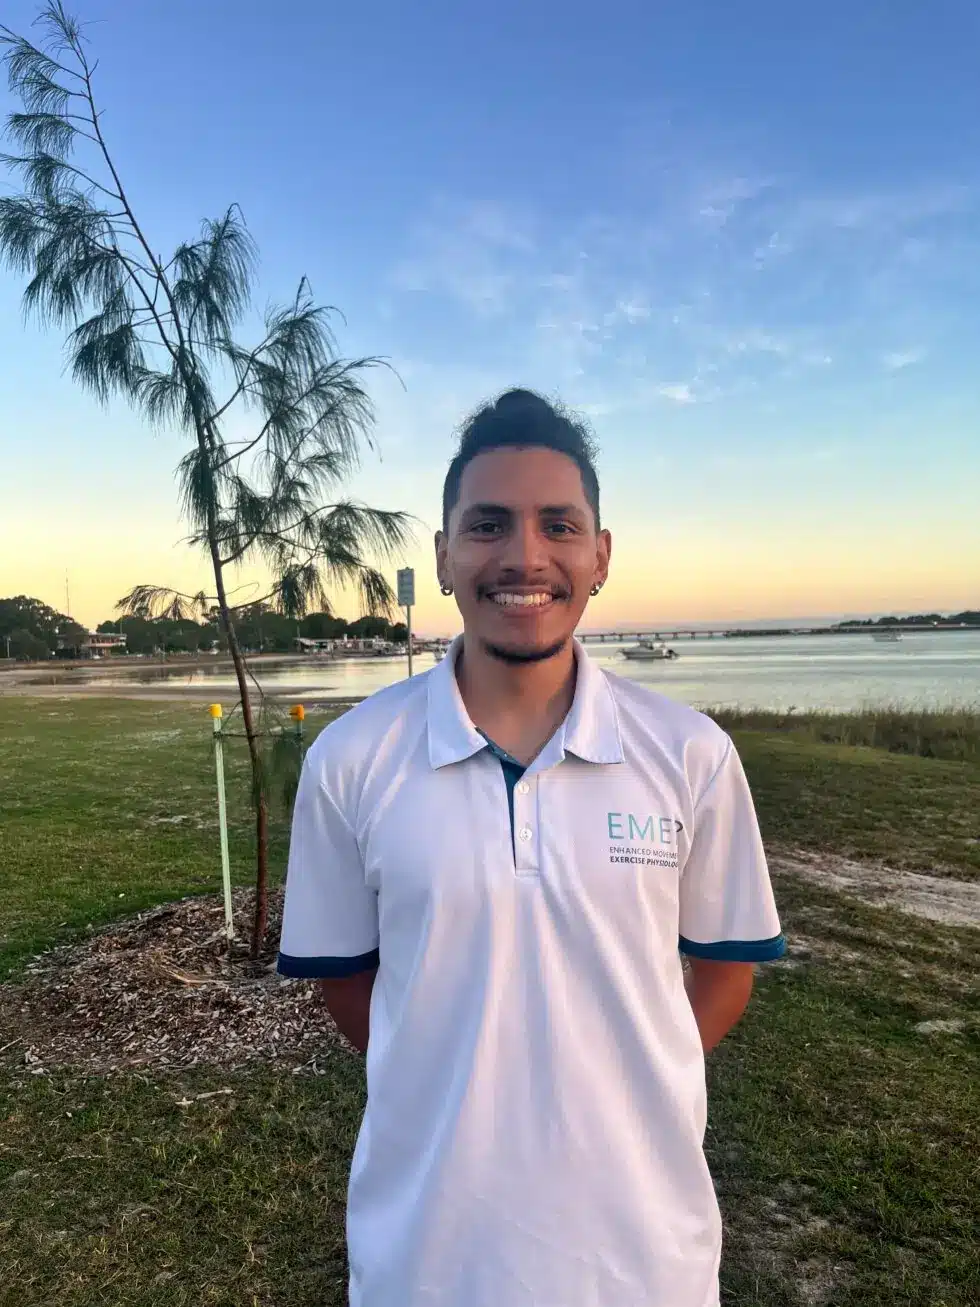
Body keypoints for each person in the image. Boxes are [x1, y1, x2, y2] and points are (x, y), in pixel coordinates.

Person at [278, 388, 786, 1307]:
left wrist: (622, 1072)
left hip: (646, 1266)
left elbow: (723, 972)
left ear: (600, 555)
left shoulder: (691, 755)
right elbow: (348, 988)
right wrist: (454, 1069)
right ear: (442, 556)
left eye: (559, 524)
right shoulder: (352, 760)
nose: (525, 556)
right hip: (425, 1264)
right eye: (488, 525)